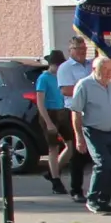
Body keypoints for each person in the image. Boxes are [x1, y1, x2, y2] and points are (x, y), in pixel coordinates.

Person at [68, 56, 111, 215]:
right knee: (103, 164)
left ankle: (104, 201)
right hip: (94, 131)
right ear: (94, 69)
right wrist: (79, 137)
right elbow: (76, 112)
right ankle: (93, 199)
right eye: (105, 70)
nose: (109, 74)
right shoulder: (85, 85)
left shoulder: (110, 86)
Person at [36, 49, 72, 194]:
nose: (59, 68)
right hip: (50, 113)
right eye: (57, 65)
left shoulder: (61, 76)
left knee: (71, 146)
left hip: (62, 111)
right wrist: (48, 122)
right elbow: (40, 102)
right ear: (51, 64)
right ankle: (56, 182)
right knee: (53, 148)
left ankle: (52, 172)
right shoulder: (43, 78)